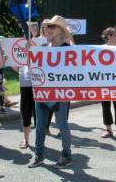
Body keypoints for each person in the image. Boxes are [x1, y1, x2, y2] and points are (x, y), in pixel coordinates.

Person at [28, 15, 73, 168]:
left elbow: (75, 72)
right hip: (43, 93)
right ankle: (38, 156)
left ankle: (66, 156)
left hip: (60, 94)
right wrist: (29, 54)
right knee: (40, 126)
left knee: (62, 125)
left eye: (52, 27)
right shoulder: (42, 49)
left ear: (60, 30)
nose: (48, 29)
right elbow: (33, 69)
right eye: (48, 27)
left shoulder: (68, 49)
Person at [100, 26, 116, 139]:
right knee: (105, 106)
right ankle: (108, 130)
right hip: (104, 82)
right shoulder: (100, 49)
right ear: (109, 36)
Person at [0, 20, 17, 114]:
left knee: (0, 86)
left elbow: (6, 51)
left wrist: (5, 55)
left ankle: (2, 106)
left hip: (0, 66)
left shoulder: (1, 38)